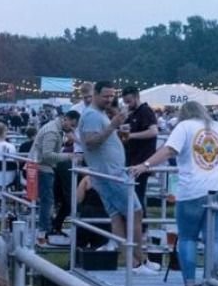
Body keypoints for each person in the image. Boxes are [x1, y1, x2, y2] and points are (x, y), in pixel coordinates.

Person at [130, 101, 218, 286]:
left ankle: (190, 283)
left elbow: (169, 150)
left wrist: (145, 164)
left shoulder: (184, 127)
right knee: (215, 238)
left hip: (193, 189)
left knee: (188, 237)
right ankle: (210, 281)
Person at [80, 81, 158, 272]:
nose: (109, 99)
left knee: (117, 217)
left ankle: (134, 262)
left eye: (111, 96)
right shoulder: (91, 115)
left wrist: (115, 125)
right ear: (95, 94)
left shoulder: (99, 114)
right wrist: (113, 126)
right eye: (105, 96)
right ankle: (139, 260)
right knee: (135, 212)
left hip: (108, 173)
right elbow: (90, 143)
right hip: (110, 174)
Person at [27, 111, 80, 245]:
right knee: (47, 201)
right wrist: (69, 156)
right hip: (42, 167)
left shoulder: (54, 127)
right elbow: (47, 155)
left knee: (48, 200)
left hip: (39, 166)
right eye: (72, 125)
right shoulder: (53, 131)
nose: (72, 129)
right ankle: (43, 233)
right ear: (65, 119)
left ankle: (45, 230)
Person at [121, 87, 160, 208]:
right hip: (133, 159)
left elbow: (153, 132)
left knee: (137, 197)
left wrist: (131, 136)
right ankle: (137, 224)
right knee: (134, 196)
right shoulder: (133, 113)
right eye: (125, 102)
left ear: (136, 97)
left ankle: (141, 226)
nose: (127, 104)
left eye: (129, 101)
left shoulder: (145, 111)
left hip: (142, 160)